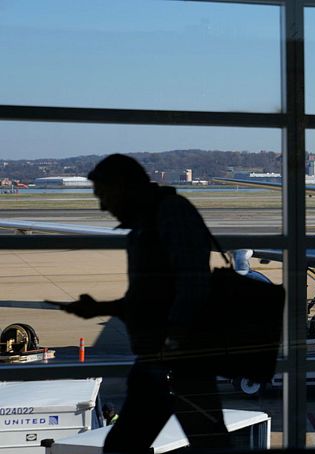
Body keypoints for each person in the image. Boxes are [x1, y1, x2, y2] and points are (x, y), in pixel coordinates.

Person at [57, 154, 230, 452]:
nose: (102, 206)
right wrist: (101, 308)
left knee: (134, 444)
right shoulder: (150, 219)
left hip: (176, 362)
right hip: (159, 359)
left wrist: (173, 343)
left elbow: (193, 286)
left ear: (124, 187)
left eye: (104, 196)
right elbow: (151, 297)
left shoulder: (170, 214)